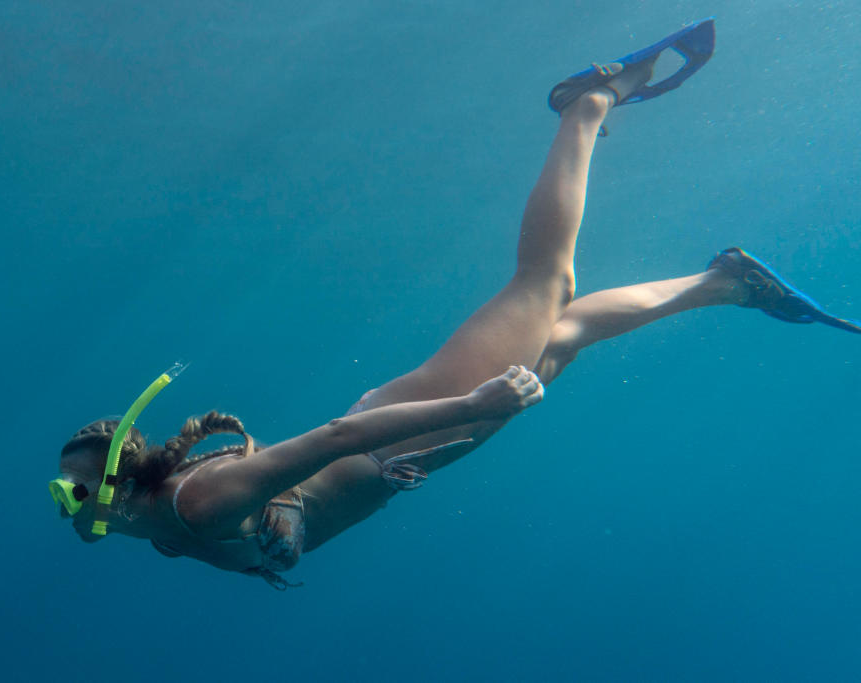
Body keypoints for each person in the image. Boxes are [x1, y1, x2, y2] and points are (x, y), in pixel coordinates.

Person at [50, 20, 859, 589]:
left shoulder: (196, 502)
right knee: (563, 329)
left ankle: (591, 100)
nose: (69, 506)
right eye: (69, 493)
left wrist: (468, 401)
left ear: (120, 481)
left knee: (540, 282)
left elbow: (335, 436)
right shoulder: (161, 535)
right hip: (412, 446)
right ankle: (724, 283)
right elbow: (286, 519)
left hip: (413, 424)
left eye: (76, 490)